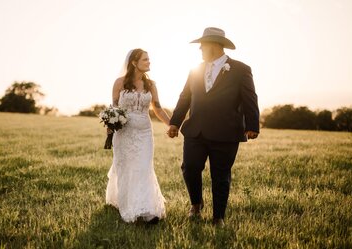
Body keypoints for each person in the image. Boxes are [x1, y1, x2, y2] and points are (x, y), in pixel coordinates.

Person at [168, 27, 260, 227]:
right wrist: (175, 122)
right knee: (190, 167)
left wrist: (252, 125)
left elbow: (249, 98)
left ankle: (218, 217)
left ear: (215, 45)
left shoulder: (241, 69)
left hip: (226, 132)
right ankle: (196, 204)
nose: (200, 48)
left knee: (220, 175)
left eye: (203, 44)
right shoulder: (195, 69)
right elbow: (185, 97)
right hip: (195, 130)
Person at [106, 48, 170, 224]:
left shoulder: (151, 85)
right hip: (124, 133)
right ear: (134, 62)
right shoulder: (119, 83)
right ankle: (127, 205)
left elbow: (157, 107)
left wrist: (171, 124)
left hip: (144, 133)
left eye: (149, 59)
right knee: (126, 168)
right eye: (145, 59)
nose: (149, 62)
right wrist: (110, 124)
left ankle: (148, 210)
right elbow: (114, 107)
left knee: (143, 168)